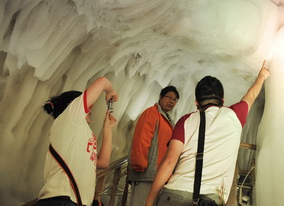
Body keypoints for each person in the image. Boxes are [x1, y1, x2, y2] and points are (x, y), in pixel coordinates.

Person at [145, 61, 270, 206]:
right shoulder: (234, 115)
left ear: (196, 103)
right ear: (222, 101)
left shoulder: (185, 121)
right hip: (209, 199)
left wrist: (150, 200)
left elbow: (169, 161)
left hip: (174, 195)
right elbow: (252, 95)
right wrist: (262, 76)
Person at [37, 77, 118, 206]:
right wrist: (110, 91)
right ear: (71, 105)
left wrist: (107, 129)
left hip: (76, 201)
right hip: (61, 199)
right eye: (88, 106)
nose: (90, 110)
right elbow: (102, 82)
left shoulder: (80, 131)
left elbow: (103, 163)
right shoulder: (69, 117)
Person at [127, 86, 180, 206]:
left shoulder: (168, 120)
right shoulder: (152, 113)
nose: (172, 101)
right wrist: (140, 166)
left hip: (159, 176)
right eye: (169, 97)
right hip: (146, 174)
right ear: (161, 97)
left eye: (175, 99)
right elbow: (142, 139)